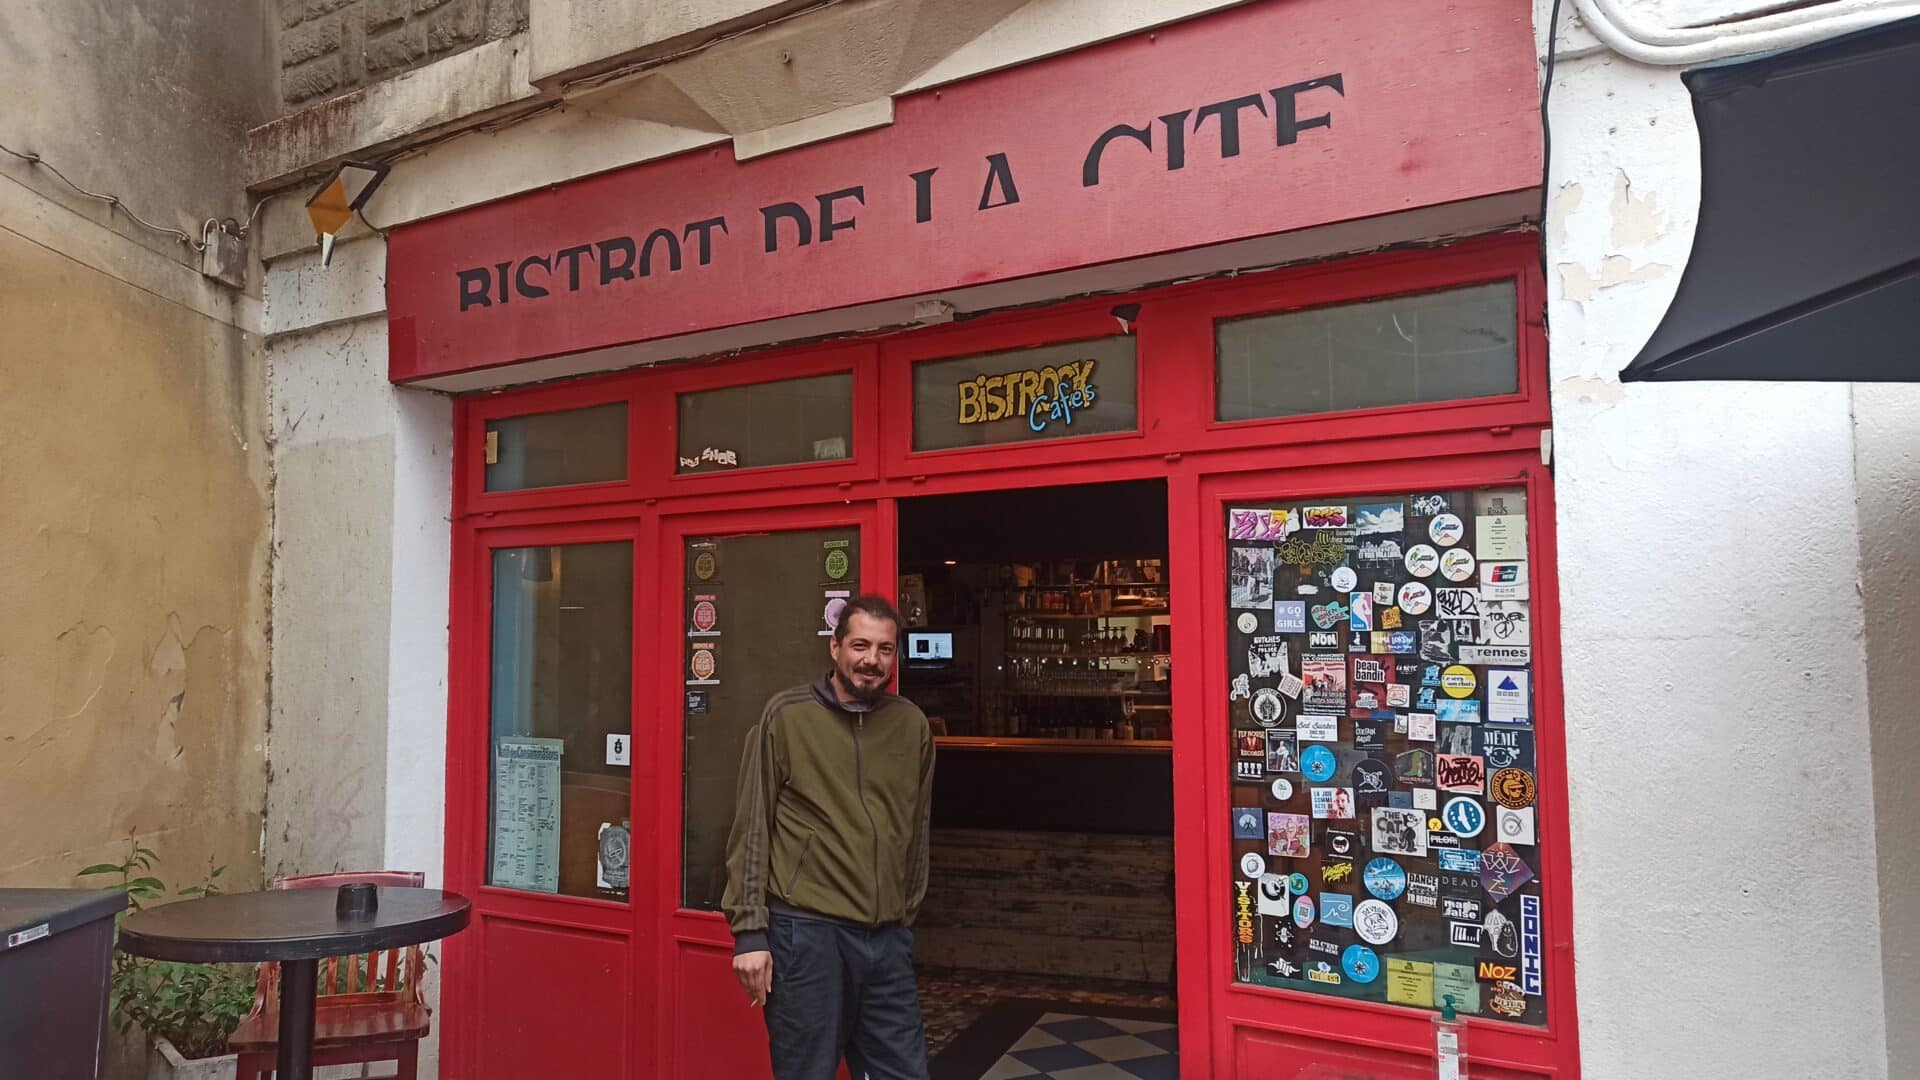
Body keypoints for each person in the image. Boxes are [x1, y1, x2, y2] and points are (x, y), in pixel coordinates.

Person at [722, 595, 936, 1080]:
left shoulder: (911, 725)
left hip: (885, 942)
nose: (871, 660)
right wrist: (750, 932)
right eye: (860, 645)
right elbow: (752, 825)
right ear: (835, 647)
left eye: (885, 649)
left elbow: (916, 832)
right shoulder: (787, 715)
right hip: (808, 935)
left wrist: (903, 915)